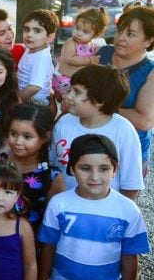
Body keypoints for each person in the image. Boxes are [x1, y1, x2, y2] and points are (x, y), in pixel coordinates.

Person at [38, 134, 150, 280]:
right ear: (71, 169)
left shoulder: (127, 211)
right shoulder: (59, 204)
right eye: (85, 168)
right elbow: (48, 246)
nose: (95, 176)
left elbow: (130, 259)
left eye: (103, 168)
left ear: (115, 169)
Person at [52, 65, 143, 199]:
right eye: (70, 89)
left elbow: (131, 183)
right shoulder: (63, 123)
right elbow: (52, 166)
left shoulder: (123, 130)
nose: (68, 95)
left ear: (99, 100)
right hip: (64, 207)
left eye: (76, 92)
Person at [97, 6, 154, 172]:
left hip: (127, 154)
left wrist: (100, 104)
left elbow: (144, 121)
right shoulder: (101, 53)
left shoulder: (150, 72)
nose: (120, 38)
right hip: (92, 146)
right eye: (120, 31)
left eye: (130, 34)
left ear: (149, 40)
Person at [0, 104, 65, 231]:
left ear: (45, 137)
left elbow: (53, 222)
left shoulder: (52, 176)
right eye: (13, 134)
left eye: (27, 137)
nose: (18, 142)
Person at [53, 8, 108, 102]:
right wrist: (90, 60)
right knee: (67, 104)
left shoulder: (91, 45)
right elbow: (70, 59)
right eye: (77, 28)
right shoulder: (71, 42)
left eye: (85, 31)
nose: (79, 33)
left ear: (95, 35)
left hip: (78, 82)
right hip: (66, 81)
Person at [17, 9, 58, 106]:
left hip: (35, 103)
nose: (29, 34)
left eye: (37, 31)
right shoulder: (31, 48)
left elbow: (35, 87)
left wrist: (18, 99)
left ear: (49, 38)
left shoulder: (41, 58)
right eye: (27, 29)